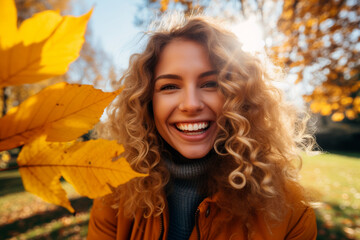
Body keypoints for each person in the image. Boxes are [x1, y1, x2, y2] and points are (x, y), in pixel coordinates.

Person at [87, 14, 317, 240]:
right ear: (147, 102)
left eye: (210, 84)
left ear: (240, 98)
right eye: (169, 87)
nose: (191, 104)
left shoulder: (290, 210)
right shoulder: (113, 195)